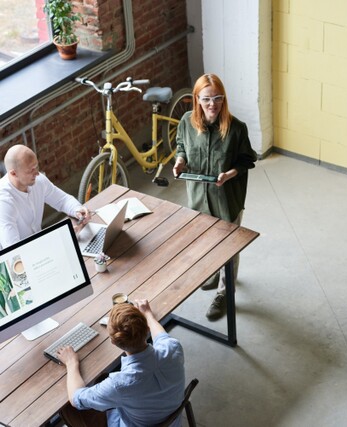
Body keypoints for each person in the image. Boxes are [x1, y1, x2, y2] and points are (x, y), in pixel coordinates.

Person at [173, 73, 258, 320]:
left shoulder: (237, 128)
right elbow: (181, 146)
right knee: (206, 241)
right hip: (199, 198)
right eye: (207, 99)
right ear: (197, 99)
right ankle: (212, 274)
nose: (213, 105)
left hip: (226, 199)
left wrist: (230, 174)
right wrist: (180, 161)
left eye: (218, 98)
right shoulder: (186, 122)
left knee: (229, 247)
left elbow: (247, 159)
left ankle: (225, 292)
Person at [57, 300, 185, 427]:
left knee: (68, 409)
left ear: (113, 342)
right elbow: (161, 336)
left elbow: (76, 399)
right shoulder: (173, 348)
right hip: (172, 422)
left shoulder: (120, 385)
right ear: (147, 329)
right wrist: (148, 314)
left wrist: (71, 363)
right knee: (103, 381)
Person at [0, 145, 90, 250]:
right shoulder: (4, 202)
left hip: (40, 246)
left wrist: (77, 210)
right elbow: (14, 250)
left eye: (36, 166)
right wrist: (59, 238)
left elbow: (62, 200)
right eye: (30, 170)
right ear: (13, 173)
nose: (37, 173)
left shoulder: (37, 180)